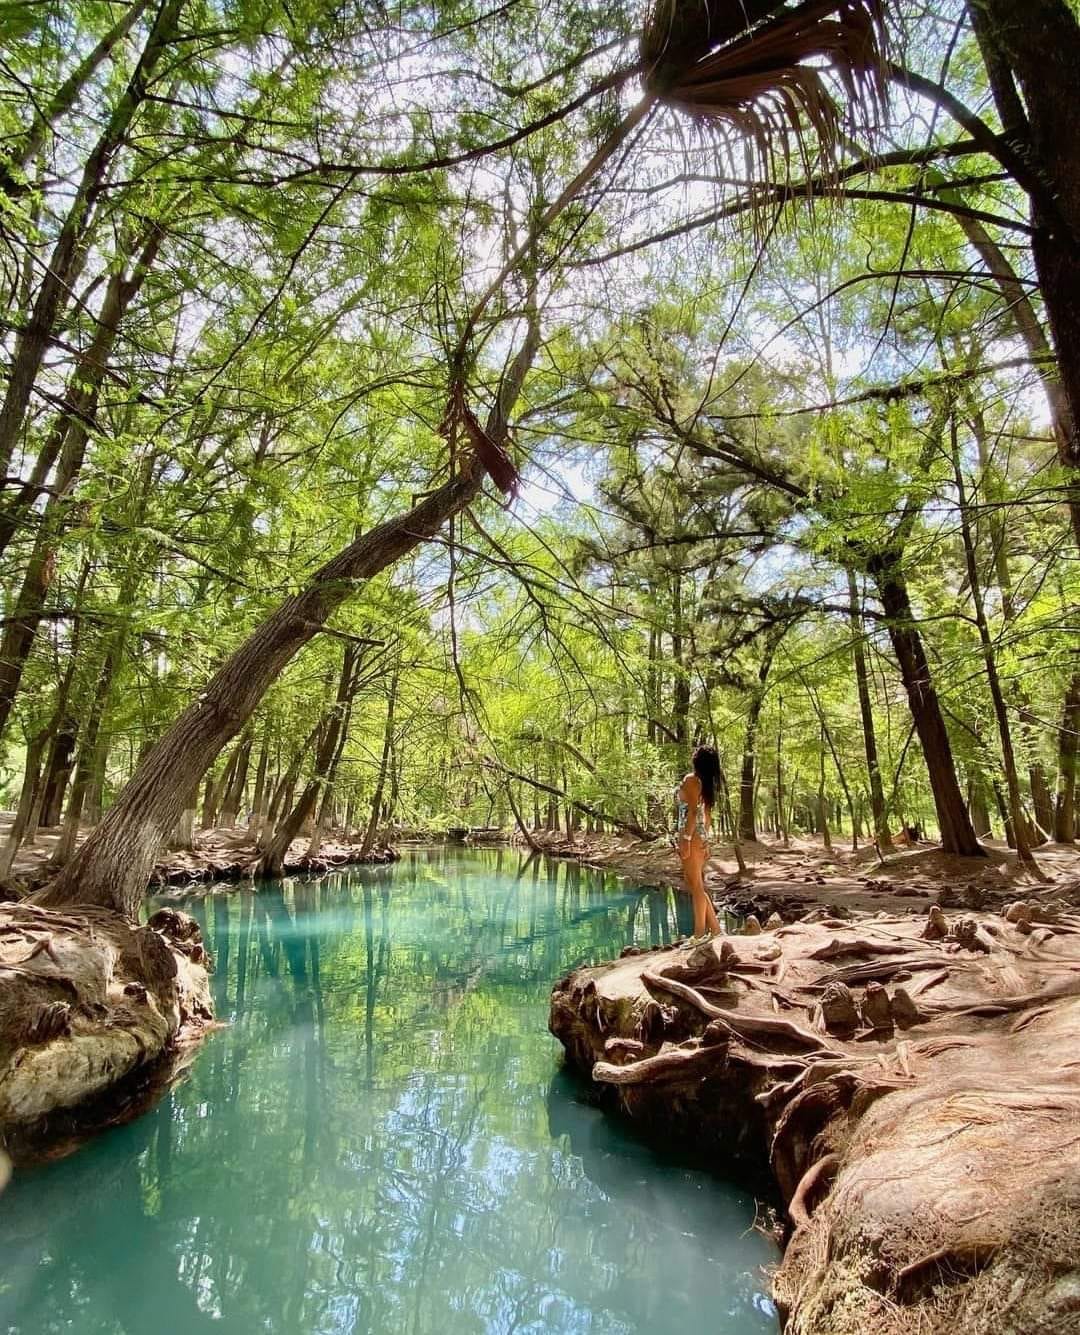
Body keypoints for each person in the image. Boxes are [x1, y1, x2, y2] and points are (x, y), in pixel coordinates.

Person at [675, 745, 722, 940]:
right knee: (695, 883)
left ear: (697, 760)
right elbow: (706, 816)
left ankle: (699, 934)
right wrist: (706, 840)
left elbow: (694, 812)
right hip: (698, 836)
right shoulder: (705, 784)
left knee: (696, 885)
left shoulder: (692, 780)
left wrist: (686, 839)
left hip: (692, 836)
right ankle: (716, 929)